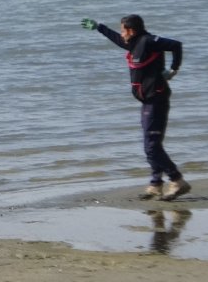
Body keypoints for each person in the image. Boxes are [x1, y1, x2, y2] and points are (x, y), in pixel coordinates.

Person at [80, 14, 190, 201]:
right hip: (147, 101)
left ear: (131, 30)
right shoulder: (133, 43)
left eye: (123, 29)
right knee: (151, 144)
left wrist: (173, 69)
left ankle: (177, 180)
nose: (121, 33)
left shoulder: (149, 41)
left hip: (157, 99)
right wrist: (99, 27)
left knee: (152, 146)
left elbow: (175, 45)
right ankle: (156, 185)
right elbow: (116, 39)